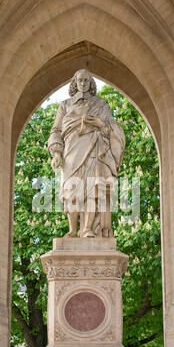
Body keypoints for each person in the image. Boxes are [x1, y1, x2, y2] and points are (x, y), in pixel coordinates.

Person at [48, 69, 125, 238]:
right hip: (71, 152)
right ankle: (73, 230)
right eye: (80, 80)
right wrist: (56, 153)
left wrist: (98, 122)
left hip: (94, 149)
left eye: (86, 80)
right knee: (71, 190)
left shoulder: (101, 104)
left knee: (92, 190)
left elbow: (110, 127)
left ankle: (88, 228)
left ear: (91, 83)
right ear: (74, 83)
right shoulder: (65, 105)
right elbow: (56, 130)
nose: (83, 83)